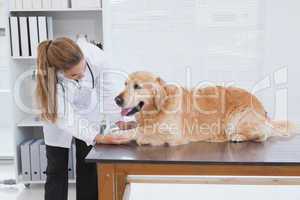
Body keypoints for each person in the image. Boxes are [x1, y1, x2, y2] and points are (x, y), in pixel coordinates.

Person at [35, 37, 135, 200]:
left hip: (88, 113)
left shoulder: (97, 56)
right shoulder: (49, 79)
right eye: (75, 75)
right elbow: (66, 117)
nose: (82, 76)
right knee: (56, 168)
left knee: (88, 165)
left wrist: (118, 119)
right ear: (59, 71)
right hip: (58, 118)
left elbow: (108, 91)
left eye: (83, 70)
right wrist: (97, 137)